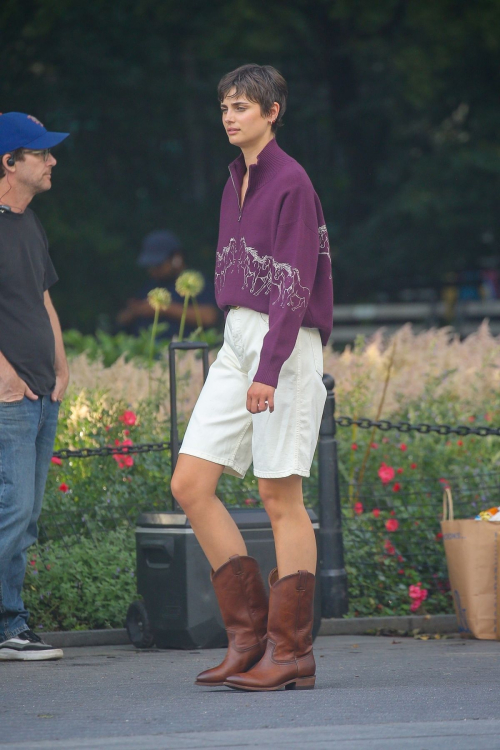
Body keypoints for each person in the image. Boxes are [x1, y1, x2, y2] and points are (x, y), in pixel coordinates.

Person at [171, 64, 333, 691]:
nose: (230, 117)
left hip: (283, 344)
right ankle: (248, 639)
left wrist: (268, 368)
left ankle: (291, 653)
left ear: (272, 113)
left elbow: (294, 287)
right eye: (225, 108)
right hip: (238, 335)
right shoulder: (234, 178)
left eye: (242, 107)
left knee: (279, 497)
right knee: (190, 483)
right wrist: (244, 352)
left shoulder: (292, 182)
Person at [0, 112, 70, 661]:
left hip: (42, 393)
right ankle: (8, 624)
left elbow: (42, 296)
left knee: (25, 516)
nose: (51, 162)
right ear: (8, 162)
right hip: (9, 396)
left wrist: (61, 364)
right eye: (40, 154)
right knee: (13, 510)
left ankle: (11, 622)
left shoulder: (28, 223)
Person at [116, 230, 219, 336]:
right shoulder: (150, 285)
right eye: (149, 266)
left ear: (176, 258)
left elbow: (209, 317)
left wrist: (163, 308)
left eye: (158, 265)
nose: (152, 270)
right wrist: (134, 311)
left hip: (186, 348)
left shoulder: (194, 282)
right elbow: (121, 320)